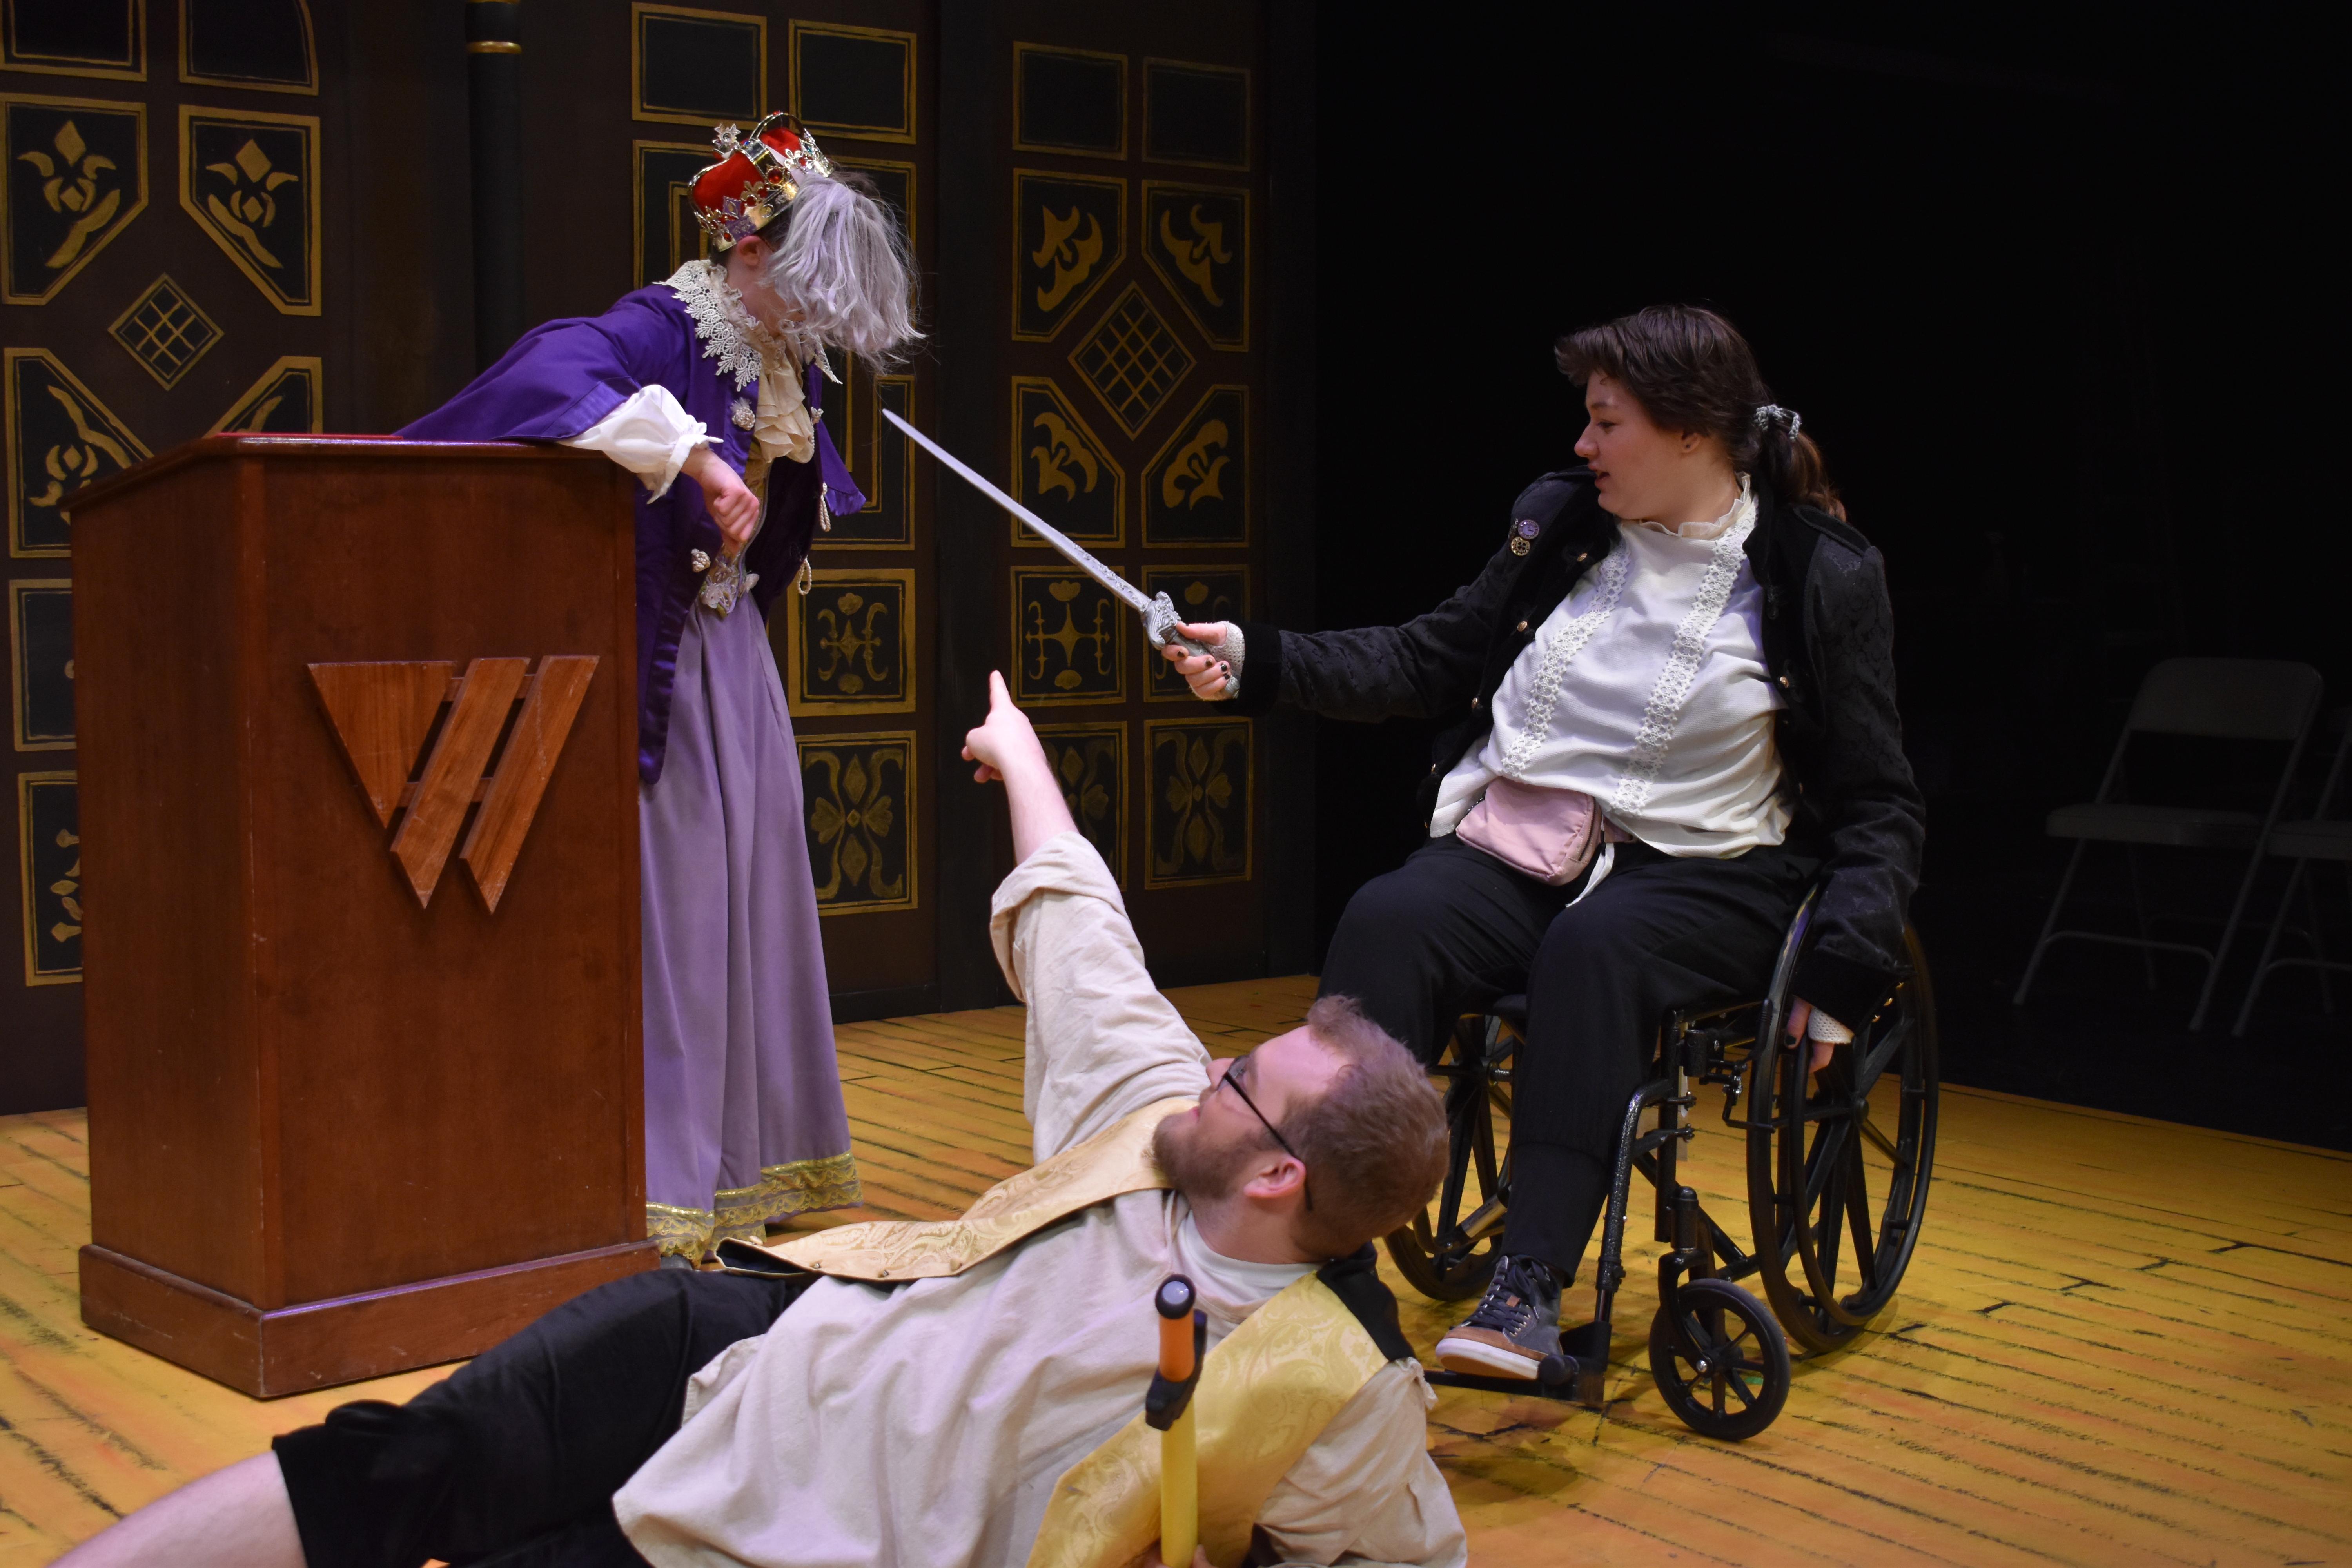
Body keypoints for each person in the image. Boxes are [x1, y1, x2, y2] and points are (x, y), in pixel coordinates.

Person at [58, 672, 1466, 1568]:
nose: (1209, 1070)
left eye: (1241, 1082)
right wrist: (1021, 751)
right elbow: (1079, 929)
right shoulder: (1156, 1124)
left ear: (1278, 1177)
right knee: (409, 1461)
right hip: (746, 1336)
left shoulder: (1334, 1388)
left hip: (790, 1531)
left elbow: (1412, 1557)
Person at [1161, 304, 1925, 1380]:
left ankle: (1526, 1288)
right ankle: (1324, 1256)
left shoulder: (1818, 573)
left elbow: (1880, 799)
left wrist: (1846, 965)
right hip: (1530, 847)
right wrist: (1256, 659)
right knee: (1392, 915)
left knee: (1594, 950)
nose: (1584, 444)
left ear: (1692, 432)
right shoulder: (1562, 521)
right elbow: (1429, 657)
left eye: (1608, 423)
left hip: (1713, 870)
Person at [399, 115, 920, 1261]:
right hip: (665, 660)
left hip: (733, 657)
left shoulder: (783, 354)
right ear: (747, 252)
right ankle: (668, 1179)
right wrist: (689, 454)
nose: (818, 321)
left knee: (754, 886)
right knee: (684, 906)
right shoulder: (663, 324)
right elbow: (549, 371)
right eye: (805, 288)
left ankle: (752, 1164)